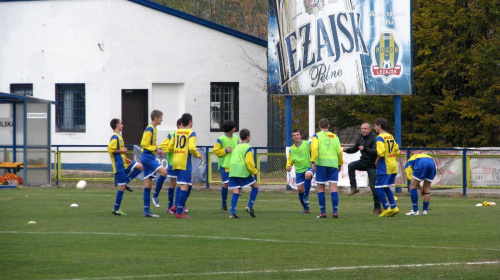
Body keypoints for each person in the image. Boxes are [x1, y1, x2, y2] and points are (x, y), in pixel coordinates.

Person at [166, 113, 202, 219]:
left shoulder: (176, 132)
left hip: (175, 161)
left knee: (183, 184)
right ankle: (179, 212)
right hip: (184, 162)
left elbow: (169, 148)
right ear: (190, 122)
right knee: (185, 186)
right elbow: (191, 148)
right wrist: (198, 155)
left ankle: (176, 205)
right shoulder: (191, 132)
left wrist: (178, 151)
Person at [343, 123, 381, 214]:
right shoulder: (360, 137)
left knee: (373, 186)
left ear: (369, 130)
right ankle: (354, 187)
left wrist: (365, 149)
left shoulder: (374, 138)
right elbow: (355, 148)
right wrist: (347, 150)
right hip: (363, 162)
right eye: (362, 128)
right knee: (351, 165)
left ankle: (377, 208)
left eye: (365, 128)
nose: (363, 130)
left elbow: (376, 152)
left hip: (372, 165)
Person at [108, 118, 143, 215]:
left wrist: (125, 157)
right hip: (119, 165)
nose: (122, 125)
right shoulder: (115, 137)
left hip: (125, 163)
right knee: (121, 187)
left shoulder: (118, 136)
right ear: (117, 125)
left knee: (141, 167)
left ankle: (127, 181)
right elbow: (110, 150)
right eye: (121, 124)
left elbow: (118, 151)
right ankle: (115, 209)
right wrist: (122, 151)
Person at [152, 119, 188, 214]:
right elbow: (164, 145)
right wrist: (172, 150)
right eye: (181, 125)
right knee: (173, 184)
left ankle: (180, 204)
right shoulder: (172, 134)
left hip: (182, 163)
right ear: (178, 126)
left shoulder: (186, 134)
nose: (183, 127)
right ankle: (170, 206)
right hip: (173, 163)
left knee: (183, 184)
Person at [310, 118, 343, 218]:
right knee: (333, 188)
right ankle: (335, 212)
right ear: (328, 126)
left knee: (321, 188)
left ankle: (323, 212)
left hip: (322, 163)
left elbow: (314, 148)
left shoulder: (317, 135)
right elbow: (339, 151)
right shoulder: (335, 136)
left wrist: (313, 160)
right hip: (333, 163)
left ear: (319, 126)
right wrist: (340, 163)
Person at [140, 110, 168, 218]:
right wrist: (155, 149)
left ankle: (146, 210)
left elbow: (152, 143)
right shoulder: (150, 128)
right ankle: (155, 196)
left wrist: (158, 148)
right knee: (164, 172)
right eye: (161, 117)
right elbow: (143, 143)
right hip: (147, 157)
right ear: (155, 118)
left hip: (149, 156)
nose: (162, 119)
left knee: (148, 184)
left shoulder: (154, 128)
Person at [227, 128, 259, 218]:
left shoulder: (237, 146)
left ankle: (232, 213)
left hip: (233, 170)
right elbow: (249, 162)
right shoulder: (247, 147)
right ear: (248, 136)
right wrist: (254, 171)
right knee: (255, 186)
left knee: (236, 189)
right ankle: (249, 206)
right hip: (241, 170)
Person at [374, 118, 400, 217]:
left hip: (384, 166)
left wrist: (376, 161)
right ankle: (394, 207)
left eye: (375, 126)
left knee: (378, 187)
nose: (375, 128)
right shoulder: (390, 136)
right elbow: (397, 150)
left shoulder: (380, 138)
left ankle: (386, 208)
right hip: (393, 165)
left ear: (379, 126)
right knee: (385, 187)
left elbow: (381, 152)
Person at [212, 121, 239, 213]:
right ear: (229, 129)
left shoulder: (236, 138)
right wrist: (225, 150)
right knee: (226, 185)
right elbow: (215, 150)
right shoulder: (221, 139)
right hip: (225, 165)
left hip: (235, 165)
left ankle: (233, 206)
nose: (235, 129)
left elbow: (238, 149)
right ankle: (224, 204)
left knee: (237, 185)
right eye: (234, 128)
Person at [286, 129, 314, 214]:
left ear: (300, 136)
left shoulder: (307, 144)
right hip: (299, 170)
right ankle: (306, 208)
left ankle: (306, 195)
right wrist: (288, 166)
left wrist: (314, 162)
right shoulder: (292, 149)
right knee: (300, 189)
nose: (296, 136)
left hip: (309, 167)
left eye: (297, 134)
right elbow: (289, 160)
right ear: (292, 138)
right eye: (294, 135)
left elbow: (314, 151)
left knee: (308, 175)